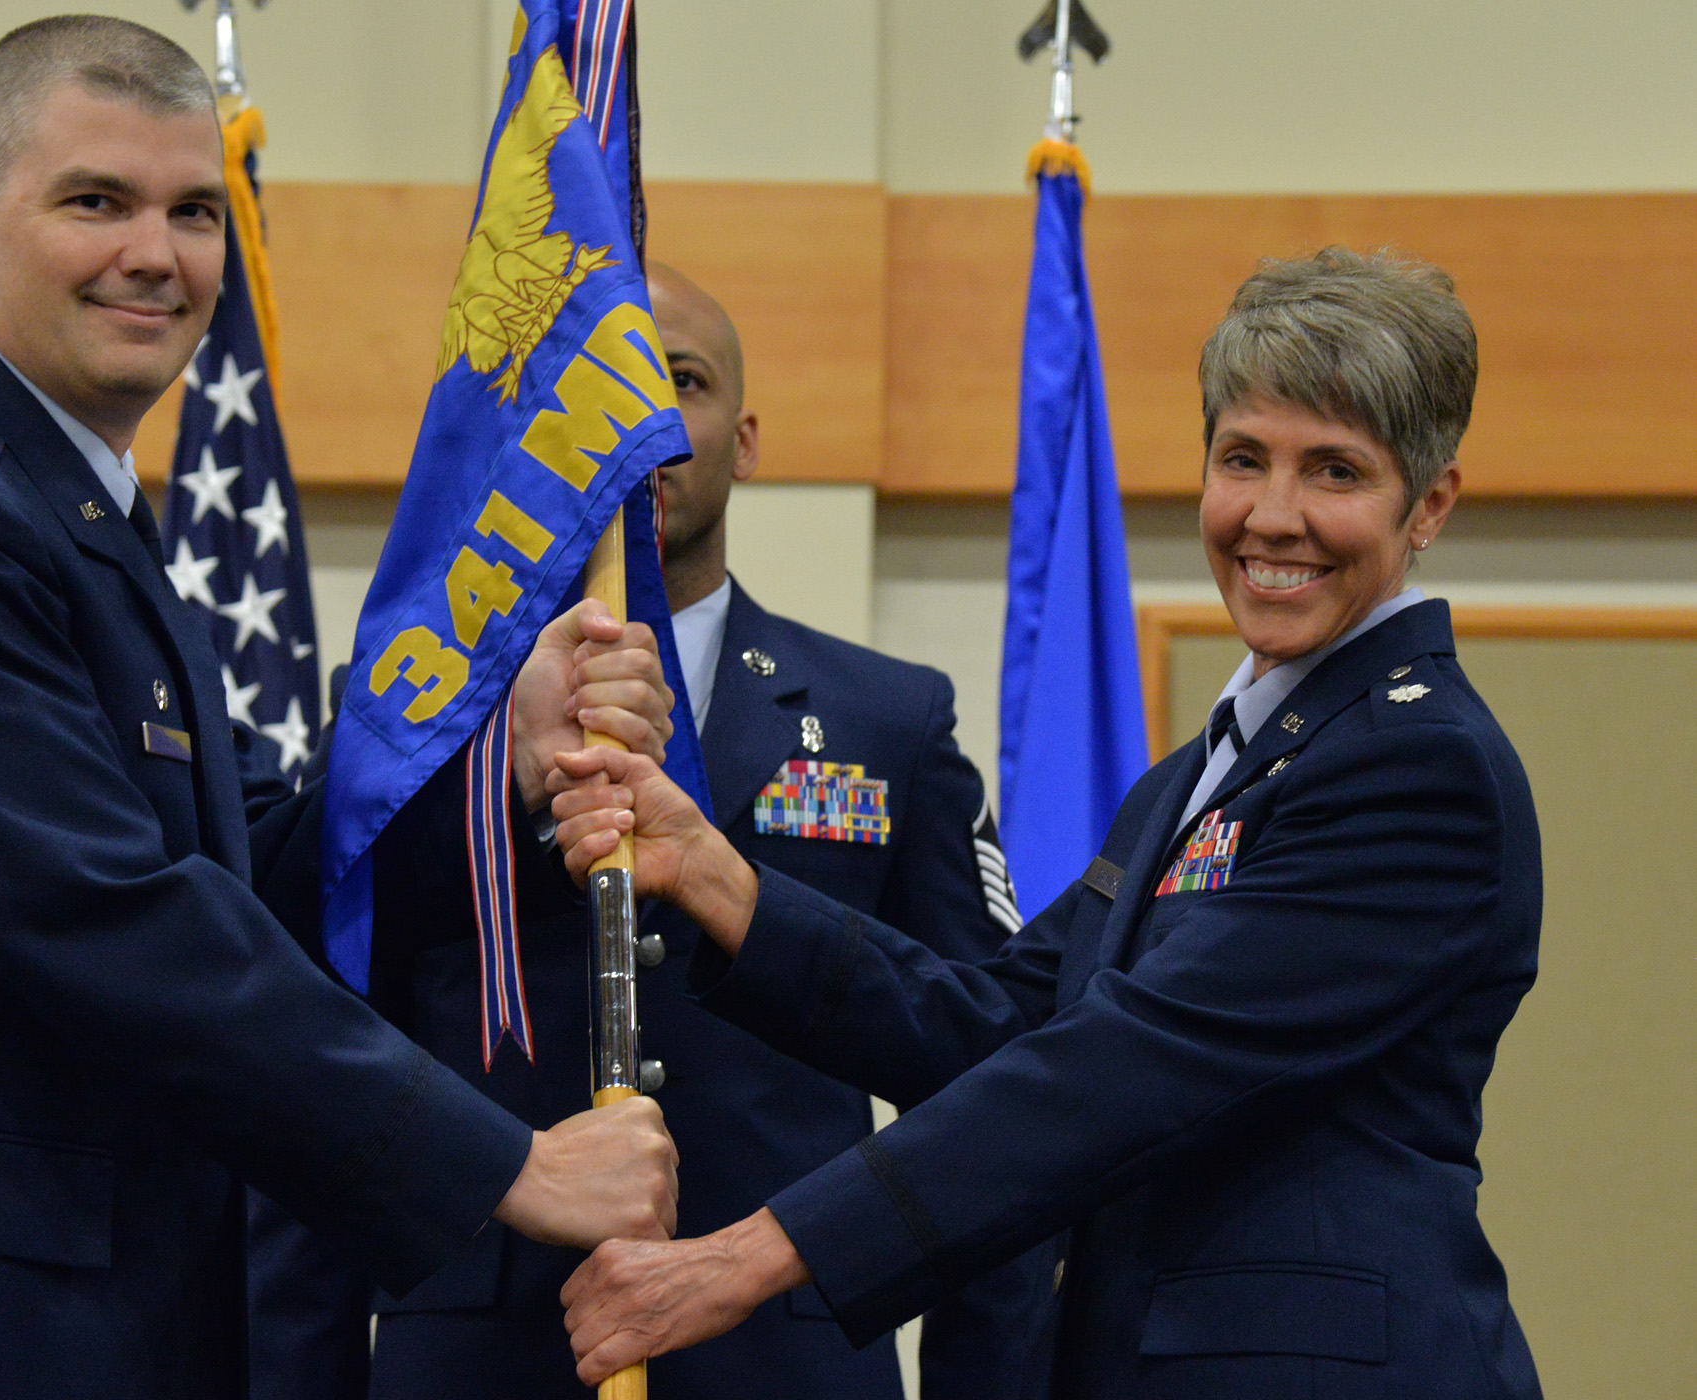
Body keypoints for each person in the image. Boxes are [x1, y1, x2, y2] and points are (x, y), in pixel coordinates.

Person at [0, 19, 680, 1400]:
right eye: (96, 201)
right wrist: (501, 1163)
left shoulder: (76, 511)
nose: (154, 254)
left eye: (194, 213)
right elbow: (116, 922)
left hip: (94, 1325)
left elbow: (241, 875)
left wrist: (499, 757)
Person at [550, 248, 1545, 1399]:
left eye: (1335, 470)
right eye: (1243, 458)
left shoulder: (1417, 763)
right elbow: (1000, 1025)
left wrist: (746, 1257)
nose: (1274, 516)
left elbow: (1120, 1068)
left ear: (1429, 504)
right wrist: (716, 877)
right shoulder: (1193, 777)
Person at [247, 263, 1051, 1400]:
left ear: (747, 438)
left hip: (790, 1361)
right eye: (604, 383)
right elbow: (313, 1076)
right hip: (478, 1363)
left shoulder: (890, 718)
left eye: (681, 380)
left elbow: (987, 1081)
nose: (640, 417)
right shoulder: (416, 716)